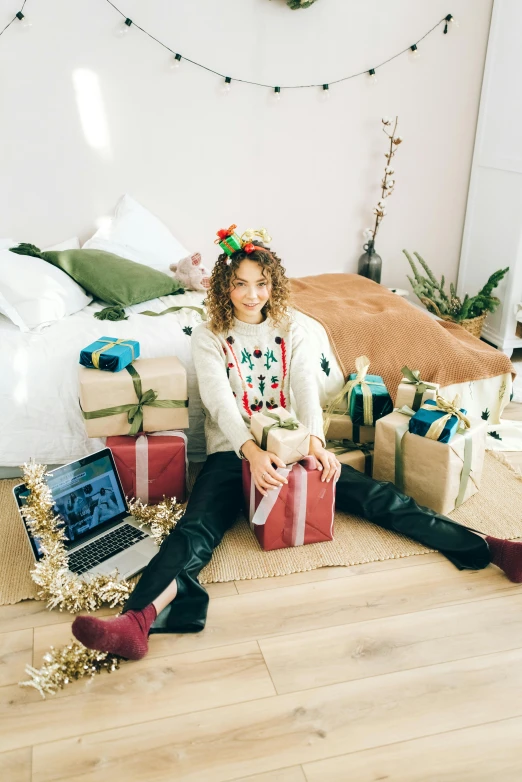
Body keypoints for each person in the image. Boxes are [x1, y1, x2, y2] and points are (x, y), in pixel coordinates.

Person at [72, 230, 522, 661]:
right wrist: (251, 451)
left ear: (273, 284)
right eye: (241, 284)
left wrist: (315, 444)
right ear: (226, 286)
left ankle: (490, 548)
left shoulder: (294, 328)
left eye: (261, 284)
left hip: (295, 449)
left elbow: (306, 390)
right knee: (196, 530)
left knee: (379, 496)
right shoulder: (209, 336)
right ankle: (136, 621)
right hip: (234, 452)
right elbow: (220, 404)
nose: (252, 295)